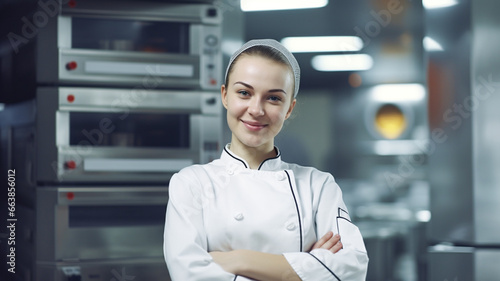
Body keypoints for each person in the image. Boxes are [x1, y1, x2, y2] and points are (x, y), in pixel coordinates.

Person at [163, 39, 369, 280]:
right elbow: (189, 275)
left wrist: (238, 260)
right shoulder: (191, 184)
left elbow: (352, 268)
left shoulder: (318, 186)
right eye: (244, 93)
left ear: (289, 109)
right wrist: (304, 270)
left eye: (273, 98)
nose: (256, 109)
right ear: (225, 96)